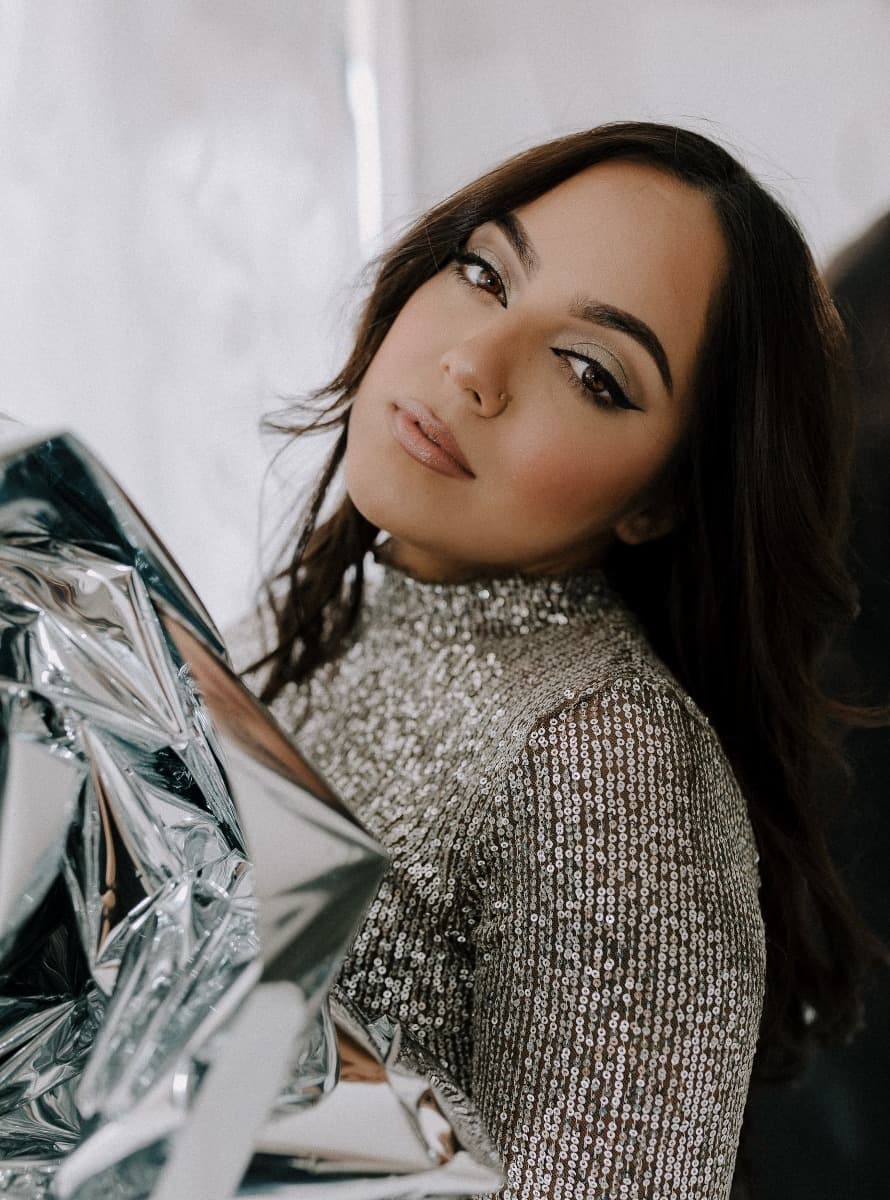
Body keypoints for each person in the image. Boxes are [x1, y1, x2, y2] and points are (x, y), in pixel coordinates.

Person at [237, 122, 881, 1199]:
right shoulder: (325, 627)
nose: (471, 365)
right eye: (483, 273)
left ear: (662, 498)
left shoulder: (606, 758)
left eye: (589, 370)